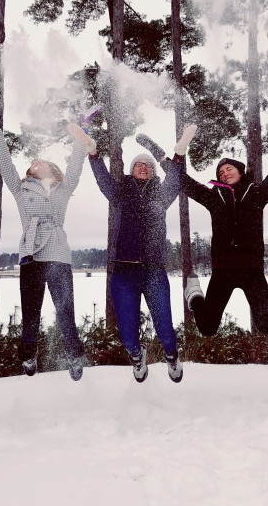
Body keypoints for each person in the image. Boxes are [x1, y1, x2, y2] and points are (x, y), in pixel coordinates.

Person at [0, 103, 91, 381]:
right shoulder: (20, 187)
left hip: (58, 256)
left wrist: (83, 129)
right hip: (30, 256)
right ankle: (28, 354)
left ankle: (74, 355)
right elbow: (4, 161)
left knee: (65, 312)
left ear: (50, 170)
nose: (35, 162)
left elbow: (76, 163)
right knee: (30, 316)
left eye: (41, 162)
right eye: (33, 162)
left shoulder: (63, 189)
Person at [86, 122, 197, 383]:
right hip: (123, 272)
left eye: (148, 165)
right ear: (132, 170)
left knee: (165, 329)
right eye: (139, 164)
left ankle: (171, 356)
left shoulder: (161, 193)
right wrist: (93, 155)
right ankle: (137, 356)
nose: (144, 167)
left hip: (153, 270)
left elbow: (174, 177)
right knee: (126, 331)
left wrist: (179, 154)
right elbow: (102, 179)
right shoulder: (120, 193)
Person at [165, 126, 268, 338]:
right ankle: (195, 295)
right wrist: (172, 158)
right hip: (222, 270)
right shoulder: (213, 197)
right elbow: (183, 182)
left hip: (252, 269)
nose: (224, 173)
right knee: (207, 327)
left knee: (267, 325)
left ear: (240, 170)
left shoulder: (256, 194)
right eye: (220, 172)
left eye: (228, 169)